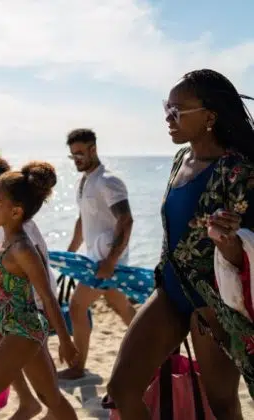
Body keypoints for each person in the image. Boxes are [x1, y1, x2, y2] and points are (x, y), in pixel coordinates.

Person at [106, 69, 254, 420]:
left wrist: (229, 240)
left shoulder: (238, 170)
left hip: (213, 305)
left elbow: (246, 255)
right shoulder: (179, 160)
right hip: (169, 292)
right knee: (121, 390)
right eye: (166, 108)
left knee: (222, 406)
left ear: (209, 117)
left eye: (177, 110)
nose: (167, 118)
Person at [0, 161, 79, 420]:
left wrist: (65, 340)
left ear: (16, 212)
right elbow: (12, 278)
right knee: (49, 396)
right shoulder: (7, 239)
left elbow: (48, 295)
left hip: (24, 329)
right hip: (19, 327)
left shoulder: (22, 247)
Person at [58, 129, 136, 380]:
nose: (77, 159)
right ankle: (161, 351)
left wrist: (111, 261)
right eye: (73, 155)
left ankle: (77, 366)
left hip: (106, 261)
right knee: (120, 306)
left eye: (81, 153)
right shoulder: (84, 182)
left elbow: (126, 220)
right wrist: (70, 253)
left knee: (77, 306)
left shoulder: (108, 181)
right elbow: (84, 221)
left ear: (93, 149)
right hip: (95, 259)